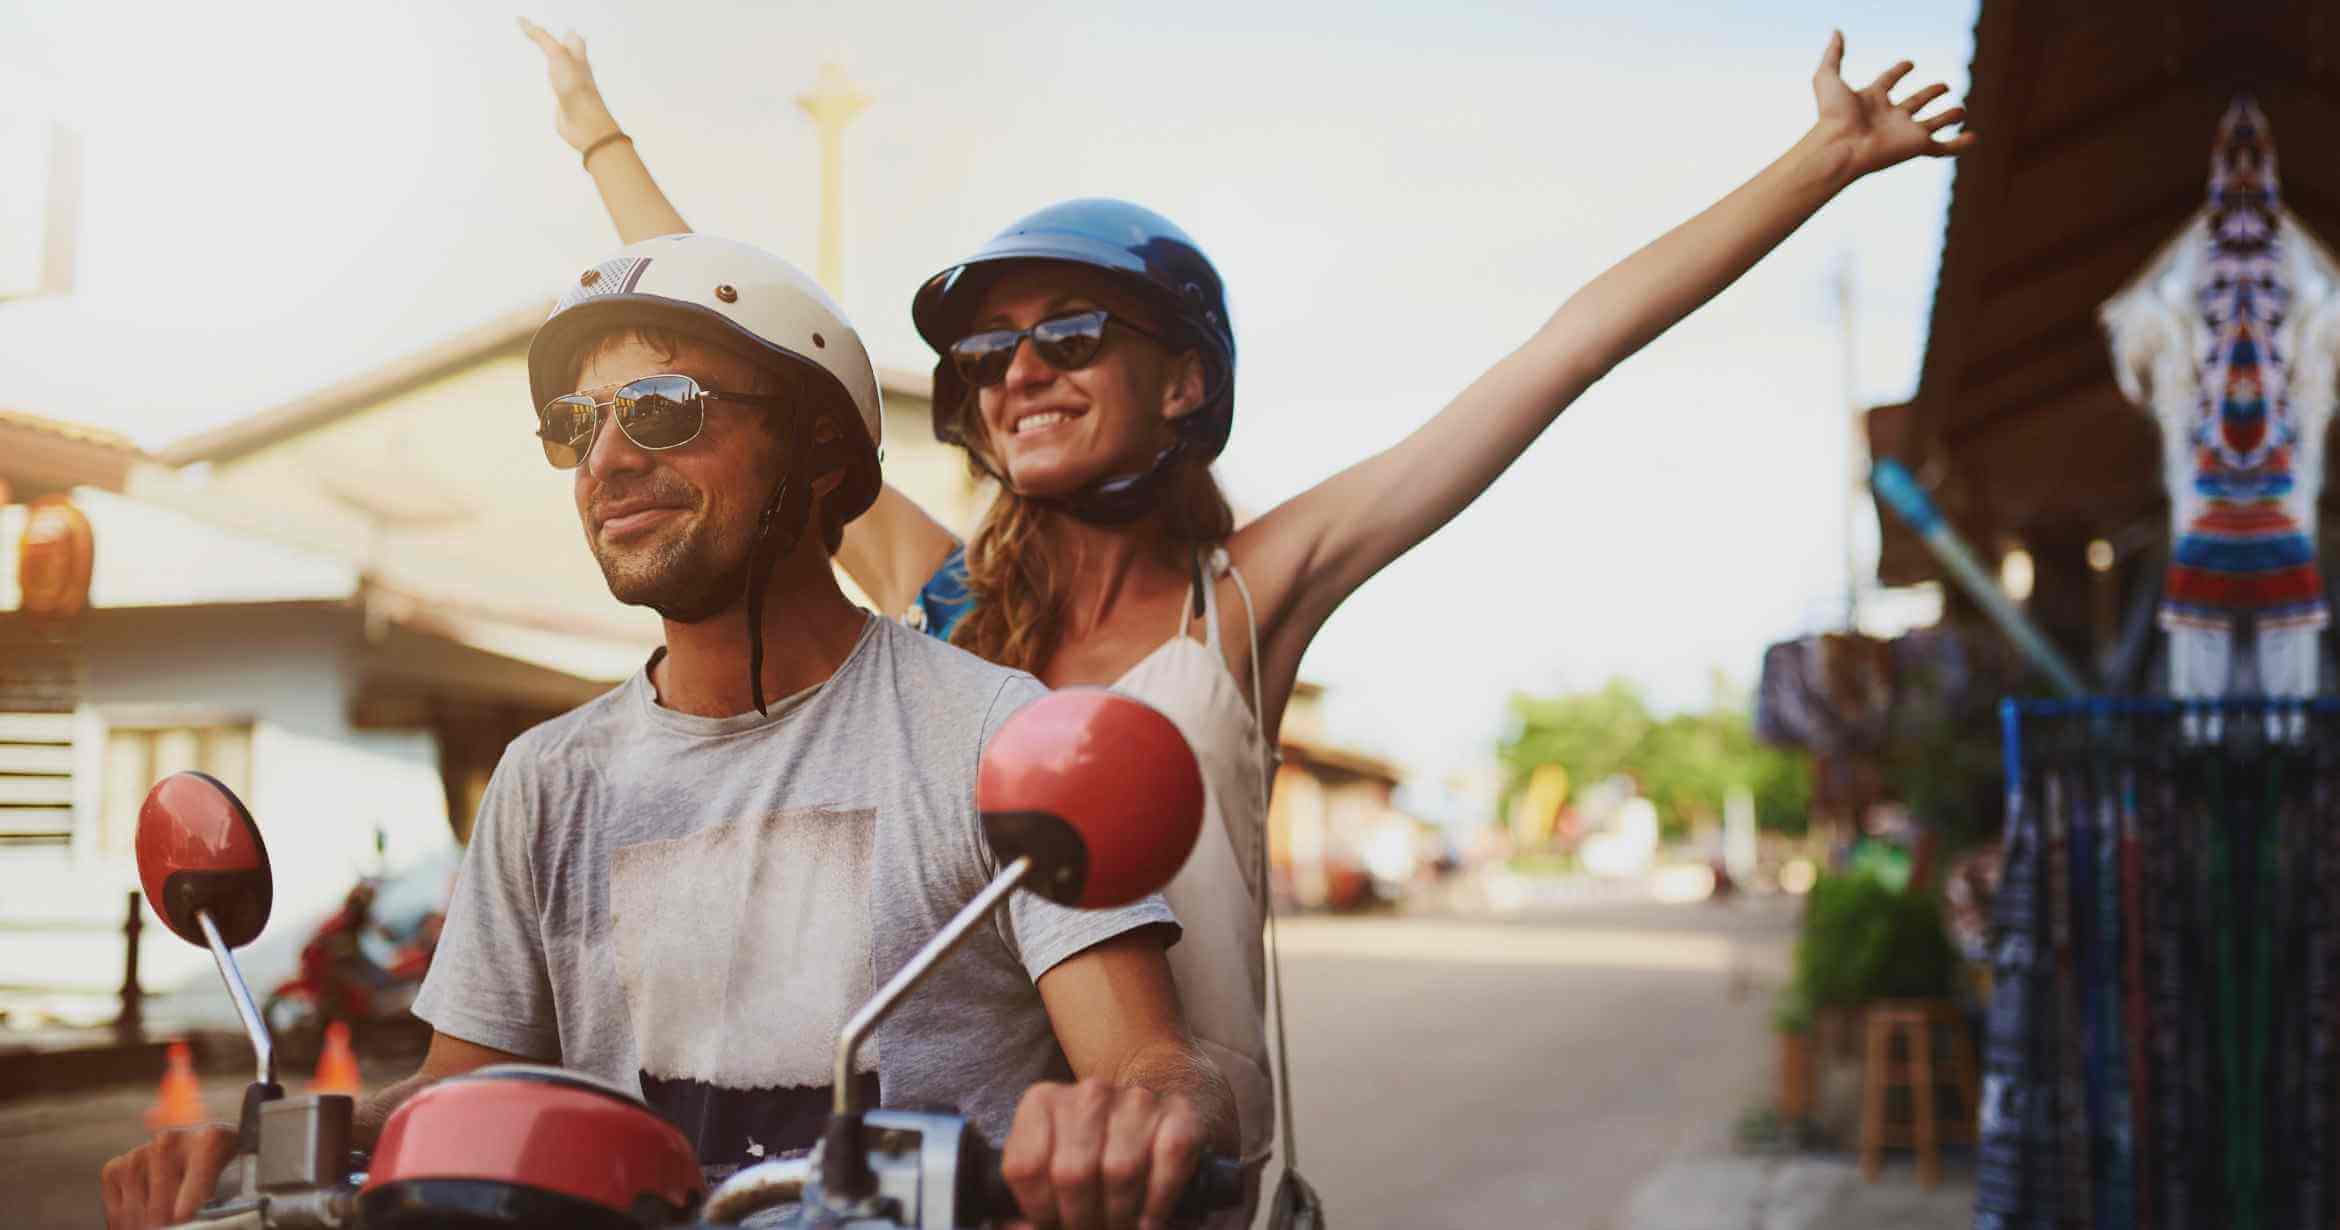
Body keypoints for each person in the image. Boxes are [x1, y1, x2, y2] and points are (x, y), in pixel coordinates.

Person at [523, 17, 1972, 1173]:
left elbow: (1557, 356)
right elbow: (733, 347)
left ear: (1186, 381)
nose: (1020, 369)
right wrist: (597, 138)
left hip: (1211, 1185)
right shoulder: (945, 594)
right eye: (990, 355)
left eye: (1072, 332)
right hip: (1006, 1188)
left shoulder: (1246, 599)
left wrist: (1818, 165)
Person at [98, 235, 1235, 1230]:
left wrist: (1130, 1126)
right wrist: (259, 1151)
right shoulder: (547, 778)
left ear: (822, 456)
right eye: (575, 426)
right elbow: (458, 1100)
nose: (607, 461)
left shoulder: (985, 731)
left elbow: (1148, 1062)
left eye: (663, 410)